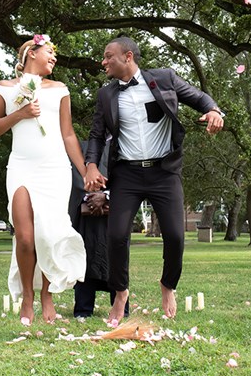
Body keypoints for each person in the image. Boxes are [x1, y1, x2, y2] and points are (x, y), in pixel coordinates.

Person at [84, 36, 224, 325]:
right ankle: (120, 292)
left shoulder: (164, 79)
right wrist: (91, 166)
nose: (104, 61)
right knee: (116, 235)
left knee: (174, 236)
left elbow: (199, 98)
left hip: (164, 172)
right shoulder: (106, 94)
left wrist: (213, 111)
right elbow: (97, 135)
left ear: (129, 57)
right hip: (127, 174)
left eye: (109, 55)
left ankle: (168, 286)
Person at [0, 34, 86, 324]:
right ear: (31, 53)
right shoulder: (4, 89)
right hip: (21, 167)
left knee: (46, 235)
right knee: (26, 238)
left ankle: (46, 297)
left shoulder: (60, 90)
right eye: (49, 52)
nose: (54, 58)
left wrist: (84, 170)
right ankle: (27, 297)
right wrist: (20, 114)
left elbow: (68, 134)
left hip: (55, 169)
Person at [68, 140, 129, 319]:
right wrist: (89, 197)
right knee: (85, 255)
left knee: (116, 257)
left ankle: (120, 307)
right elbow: (74, 175)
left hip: (116, 213)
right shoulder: (80, 147)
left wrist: (106, 196)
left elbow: (130, 179)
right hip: (85, 212)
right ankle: (83, 308)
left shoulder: (125, 145)